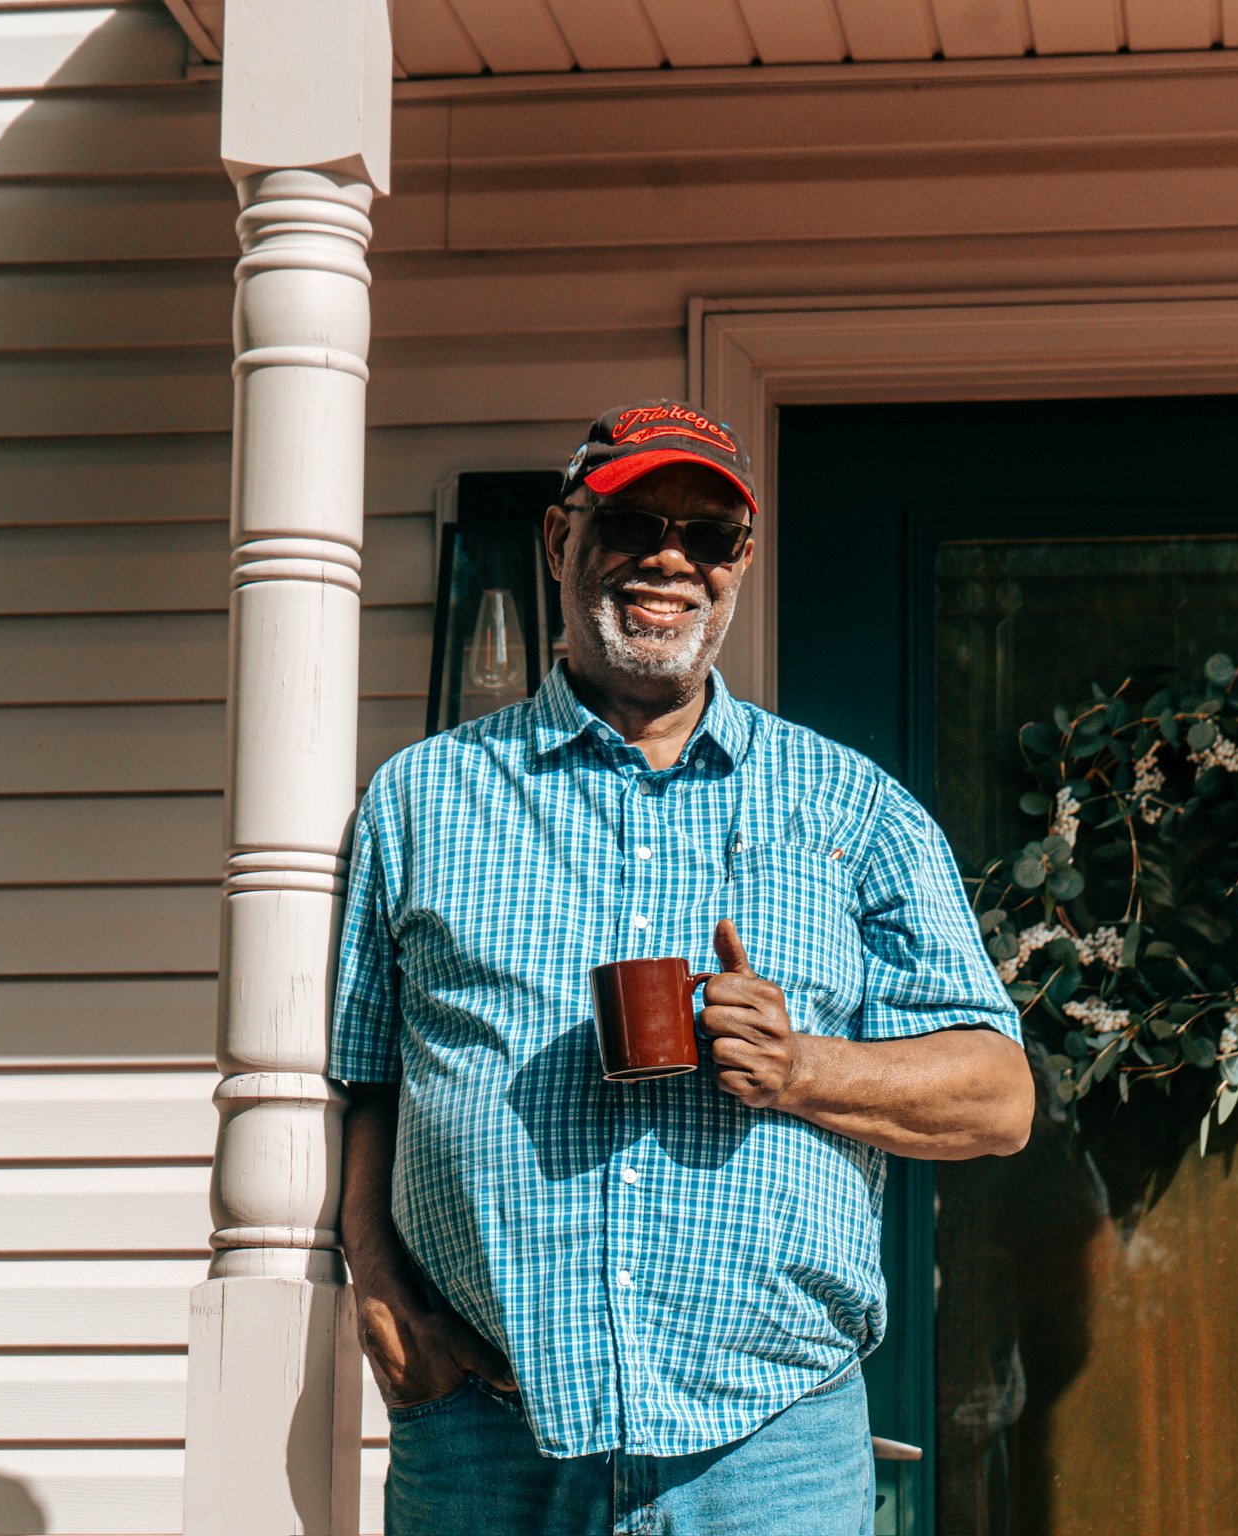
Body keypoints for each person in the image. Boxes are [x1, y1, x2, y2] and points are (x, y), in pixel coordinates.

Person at [331, 399, 1038, 1536]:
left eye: (708, 536)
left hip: (771, 1452)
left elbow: (998, 1098)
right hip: (483, 1436)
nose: (671, 558)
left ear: (741, 563)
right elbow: (365, 1083)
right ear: (563, 541)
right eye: (634, 522)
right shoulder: (419, 801)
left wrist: (802, 1067)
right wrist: (384, 1305)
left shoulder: (852, 808)